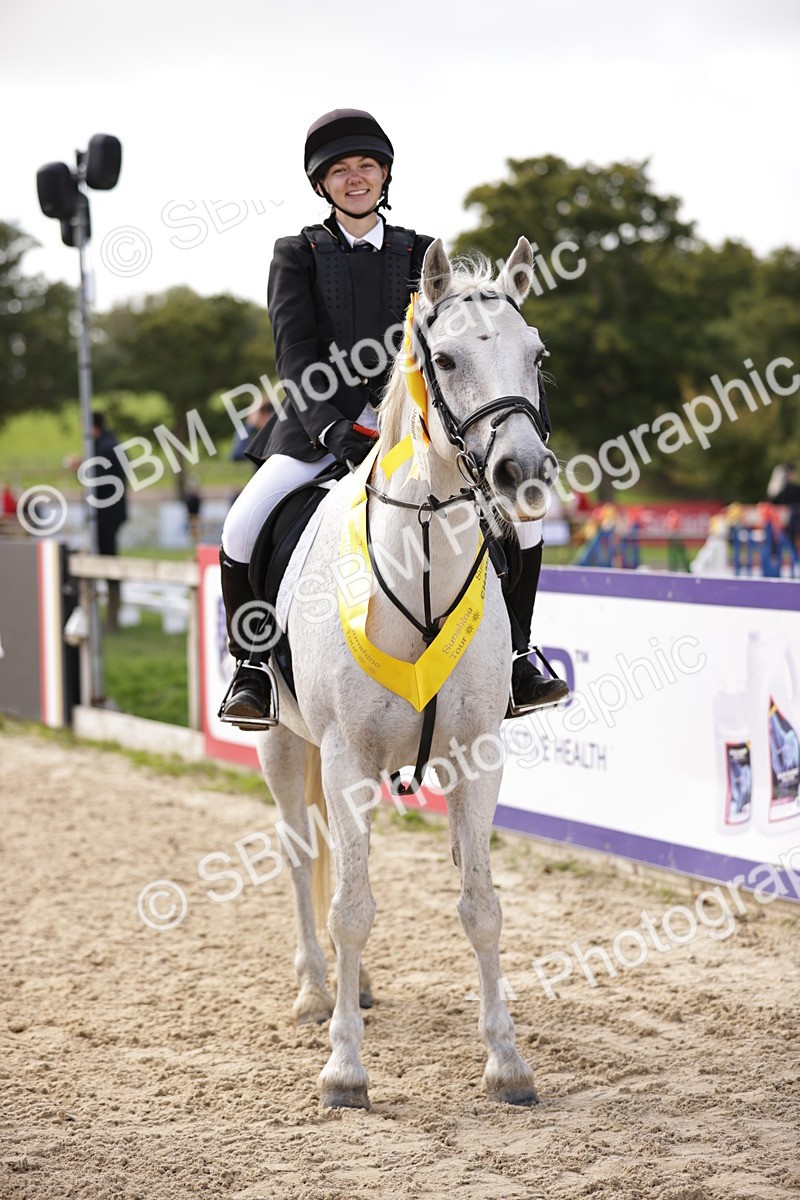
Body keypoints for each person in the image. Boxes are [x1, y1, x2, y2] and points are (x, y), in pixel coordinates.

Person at [219, 108, 568, 726]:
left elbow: (451, 350)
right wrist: (336, 429)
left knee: (525, 523)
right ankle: (252, 668)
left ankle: (518, 653)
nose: (355, 178)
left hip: (415, 432)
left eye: (366, 166)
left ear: (384, 175)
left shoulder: (421, 252)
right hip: (318, 431)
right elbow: (295, 356)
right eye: (340, 170)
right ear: (322, 183)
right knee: (242, 524)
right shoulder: (296, 253)